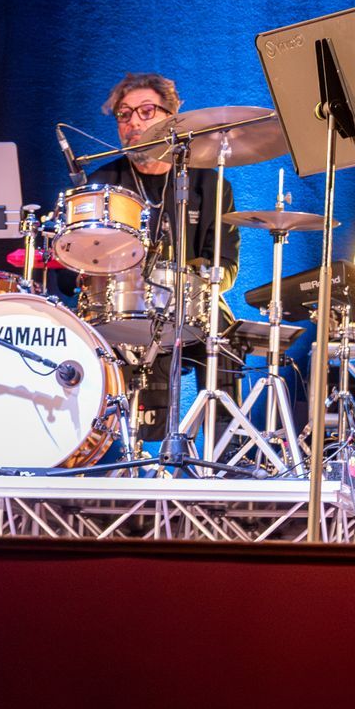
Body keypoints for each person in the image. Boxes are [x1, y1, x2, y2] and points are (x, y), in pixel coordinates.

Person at [85, 72, 239, 442]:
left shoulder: (209, 184)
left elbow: (227, 265)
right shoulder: (103, 182)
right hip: (121, 305)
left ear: (171, 117)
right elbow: (75, 260)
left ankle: (229, 449)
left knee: (226, 337)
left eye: (146, 111)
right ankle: (137, 452)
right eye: (124, 115)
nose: (134, 122)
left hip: (190, 303)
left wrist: (191, 280)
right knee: (132, 327)